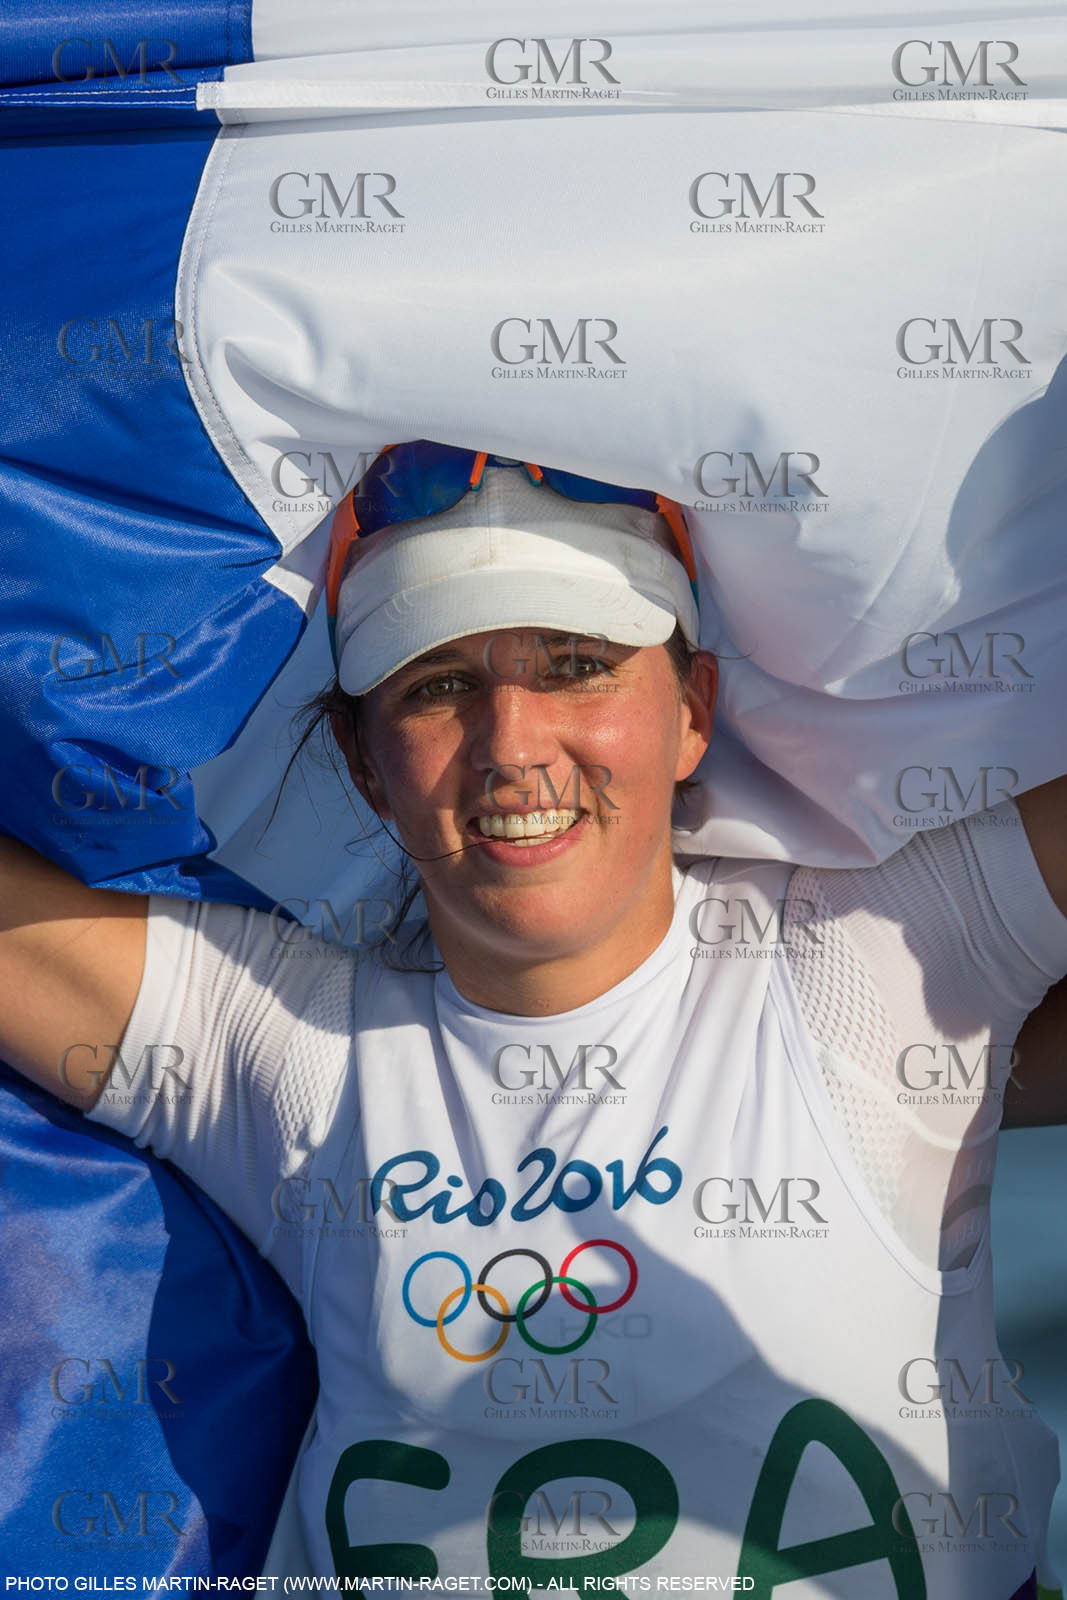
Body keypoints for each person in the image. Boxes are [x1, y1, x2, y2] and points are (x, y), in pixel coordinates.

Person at [2, 441, 1066, 1599]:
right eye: (436, 684)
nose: (510, 744)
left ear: (692, 710)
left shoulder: (866, 959)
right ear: (367, 768)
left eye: (574, 664)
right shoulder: (289, 1050)